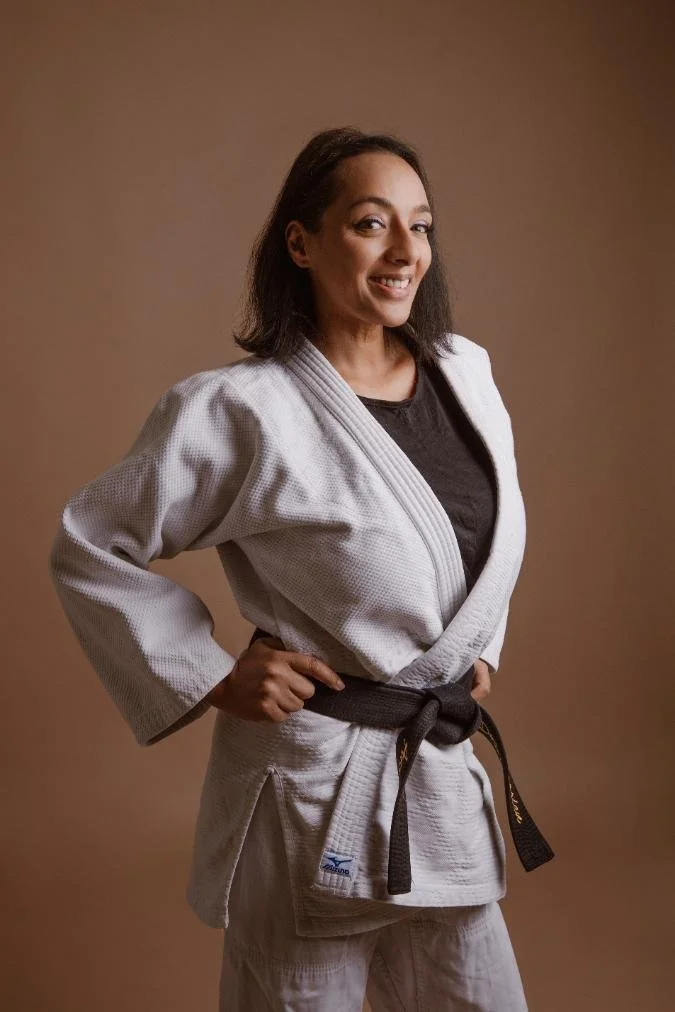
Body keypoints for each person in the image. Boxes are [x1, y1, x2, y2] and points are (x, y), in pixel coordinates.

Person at [49, 126, 552, 1010]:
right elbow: (92, 542)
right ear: (301, 241)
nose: (405, 253)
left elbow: (487, 537)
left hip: (429, 770)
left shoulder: (466, 374)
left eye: (421, 226)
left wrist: (474, 653)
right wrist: (210, 675)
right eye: (370, 223)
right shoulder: (242, 411)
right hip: (310, 788)